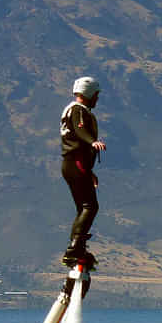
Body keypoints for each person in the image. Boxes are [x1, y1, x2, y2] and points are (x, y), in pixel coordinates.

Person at [60, 76, 106, 268]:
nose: (97, 99)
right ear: (89, 93)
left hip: (75, 165)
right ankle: (74, 249)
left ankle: (77, 248)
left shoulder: (73, 110)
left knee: (83, 208)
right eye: (96, 95)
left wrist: (90, 171)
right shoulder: (78, 110)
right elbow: (80, 131)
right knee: (90, 206)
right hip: (75, 163)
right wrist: (92, 141)